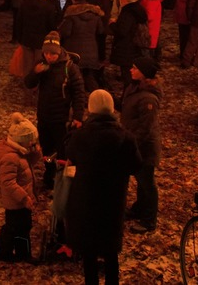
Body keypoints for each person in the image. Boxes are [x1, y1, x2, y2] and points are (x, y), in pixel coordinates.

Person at [64, 90, 141, 285]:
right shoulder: (126, 138)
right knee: (110, 248)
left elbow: (71, 156)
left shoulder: (81, 136)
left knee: (89, 251)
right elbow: (135, 166)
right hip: (113, 199)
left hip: (86, 197)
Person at [24, 31, 86, 190]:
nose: (49, 56)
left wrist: (78, 116)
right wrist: (35, 73)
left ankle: (62, 179)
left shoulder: (70, 68)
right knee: (46, 148)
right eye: (46, 53)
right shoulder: (42, 65)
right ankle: (49, 173)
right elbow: (29, 83)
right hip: (44, 116)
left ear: (58, 52)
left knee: (62, 150)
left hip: (62, 118)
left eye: (52, 53)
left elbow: (79, 92)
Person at [121, 57, 162, 234]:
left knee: (147, 182)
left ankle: (149, 219)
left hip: (144, 148)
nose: (131, 69)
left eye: (135, 68)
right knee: (140, 180)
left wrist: (131, 146)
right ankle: (138, 209)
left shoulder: (148, 99)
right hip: (135, 143)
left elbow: (145, 128)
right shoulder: (134, 87)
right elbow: (126, 107)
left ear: (143, 73)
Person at [0, 113, 42, 263]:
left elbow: (30, 164)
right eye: (31, 142)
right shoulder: (10, 157)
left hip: (23, 198)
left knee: (24, 227)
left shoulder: (20, 153)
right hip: (16, 201)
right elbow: (8, 182)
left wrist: (35, 151)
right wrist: (24, 197)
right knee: (13, 228)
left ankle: (23, 253)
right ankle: (4, 252)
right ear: (23, 141)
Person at [59, 0, 107, 91]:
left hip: (74, 51)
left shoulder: (71, 15)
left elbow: (65, 33)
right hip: (92, 51)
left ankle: (78, 97)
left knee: (74, 77)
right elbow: (100, 31)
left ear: (73, 0)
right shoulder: (95, 14)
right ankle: (96, 96)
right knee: (89, 76)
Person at [14, 0, 61, 76]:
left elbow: (19, 21)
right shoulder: (49, 7)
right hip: (41, 41)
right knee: (39, 65)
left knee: (27, 65)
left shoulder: (25, 3)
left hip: (26, 39)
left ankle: (28, 86)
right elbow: (51, 26)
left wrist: (19, 37)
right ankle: (37, 86)